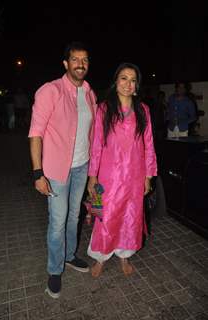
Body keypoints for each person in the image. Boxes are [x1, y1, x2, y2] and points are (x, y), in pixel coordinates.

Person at [28, 41, 97, 298]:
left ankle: (69, 256)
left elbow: (92, 134)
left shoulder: (90, 93)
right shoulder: (50, 91)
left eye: (85, 60)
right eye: (76, 59)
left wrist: (94, 169)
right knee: (57, 222)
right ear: (66, 63)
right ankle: (55, 270)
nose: (81, 64)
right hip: (56, 169)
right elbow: (35, 133)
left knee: (74, 216)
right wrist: (37, 173)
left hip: (82, 165)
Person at [87, 62, 157, 278]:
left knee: (130, 216)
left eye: (132, 80)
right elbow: (96, 144)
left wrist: (148, 176)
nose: (128, 83)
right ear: (116, 82)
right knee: (103, 215)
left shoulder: (143, 110)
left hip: (134, 176)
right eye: (124, 78)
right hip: (108, 176)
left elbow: (149, 145)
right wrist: (92, 176)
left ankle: (124, 256)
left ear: (136, 86)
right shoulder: (104, 109)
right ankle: (100, 256)